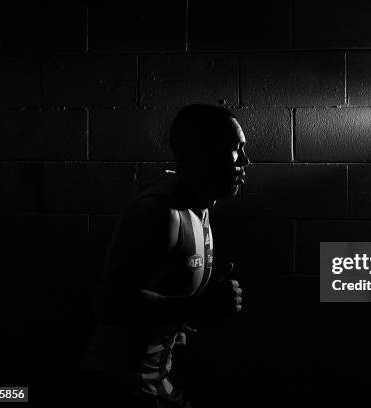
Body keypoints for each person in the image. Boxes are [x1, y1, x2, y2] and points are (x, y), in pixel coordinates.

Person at [77, 104, 250, 407]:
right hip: (121, 386)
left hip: (156, 381)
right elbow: (110, 305)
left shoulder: (201, 210)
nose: (246, 161)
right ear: (201, 153)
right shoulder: (160, 213)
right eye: (234, 150)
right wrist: (199, 306)